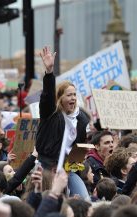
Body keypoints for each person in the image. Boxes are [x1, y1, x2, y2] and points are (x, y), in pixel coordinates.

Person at [35, 46, 90, 198]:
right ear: (60, 98)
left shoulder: (82, 119)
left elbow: (78, 146)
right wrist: (49, 72)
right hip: (47, 167)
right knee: (48, 199)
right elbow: (47, 96)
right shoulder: (51, 114)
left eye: (74, 95)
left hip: (68, 169)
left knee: (84, 199)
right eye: (69, 95)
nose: (73, 98)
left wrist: (81, 153)